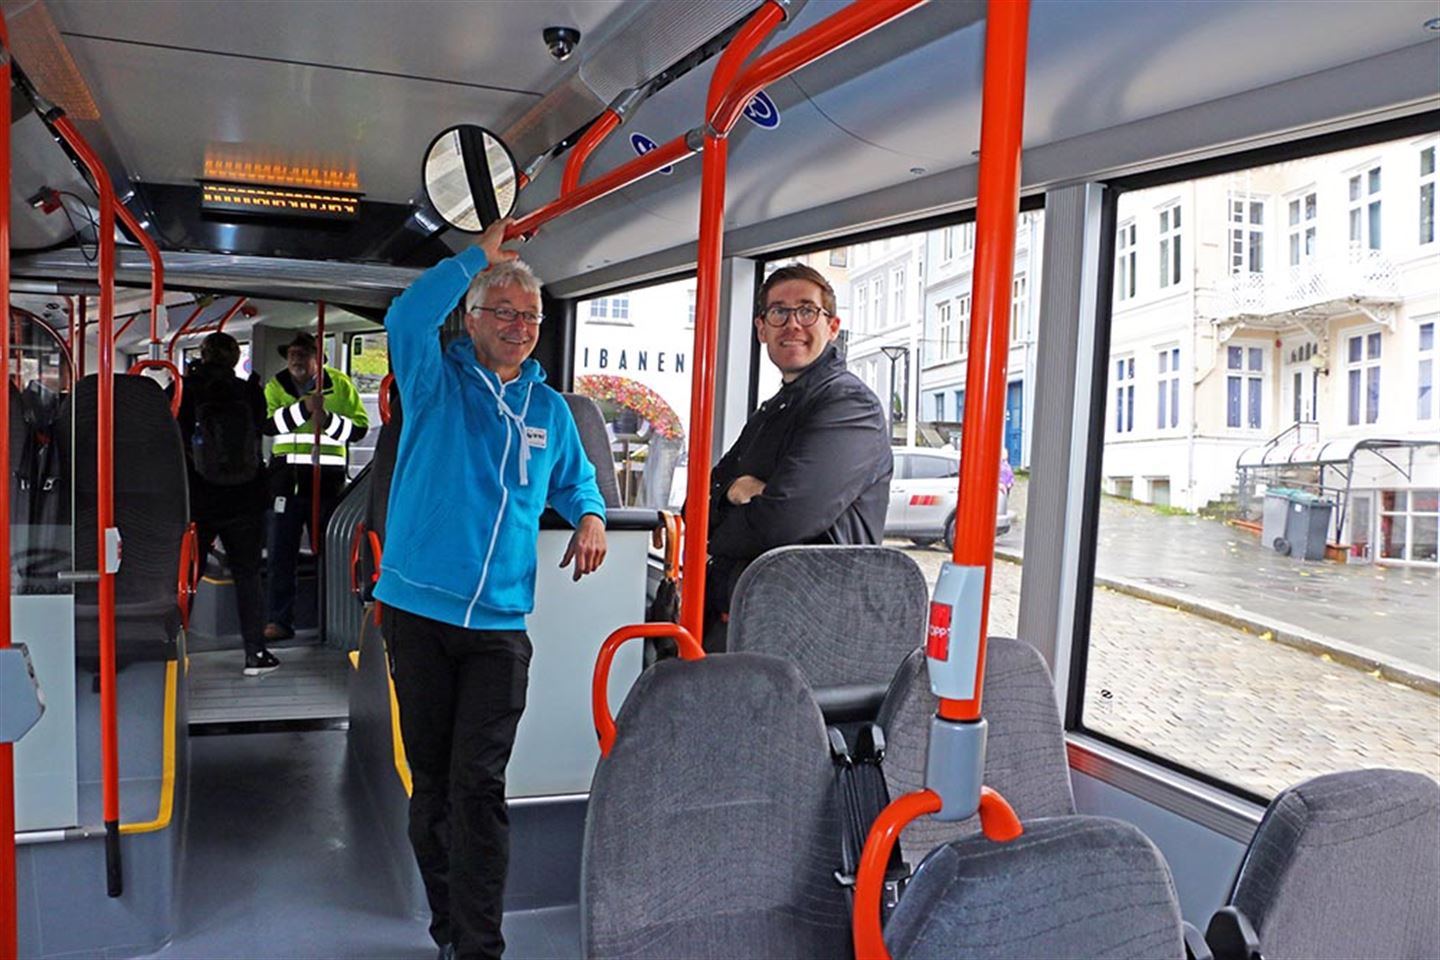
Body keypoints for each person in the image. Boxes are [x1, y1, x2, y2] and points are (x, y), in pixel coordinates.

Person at [374, 218, 607, 960]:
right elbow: (405, 314)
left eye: (529, 316)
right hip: (416, 612)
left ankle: (479, 947)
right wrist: (478, 256)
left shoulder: (551, 411)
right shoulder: (433, 379)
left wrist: (593, 514)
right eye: (501, 311)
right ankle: (448, 926)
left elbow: (574, 480)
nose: (518, 326)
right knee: (434, 792)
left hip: (501, 626)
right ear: (471, 320)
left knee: (480, 788)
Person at [704, 264, 892, 648]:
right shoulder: (772, 410)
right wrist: (733, 494)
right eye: (778, 312)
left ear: (833, 326)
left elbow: (782, 523)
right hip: (752, 617)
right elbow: (698, 505)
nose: (793, 324)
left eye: (807, 311)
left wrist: (733, 510)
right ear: (762, 330)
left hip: (810, 633)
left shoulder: (848, 405)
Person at [176, 332, 277, 675]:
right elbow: (263, 427)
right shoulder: (249, 390)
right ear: (235, 359)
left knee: (187, 575)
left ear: (203, 357)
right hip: (246, 498)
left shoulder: (183, 390)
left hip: (197, 498)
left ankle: (174, 648)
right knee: (248, 575)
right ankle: (255, 653)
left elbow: (169, 433)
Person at [261, 330, 369, 641]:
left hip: (327, 485)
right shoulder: (276, 386)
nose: (295, 359)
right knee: (281, 555)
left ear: (317, 359)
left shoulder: (340, 385)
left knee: (331, 553)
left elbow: (358, 429)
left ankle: (332, 620)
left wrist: (328, 420)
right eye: (292, 354)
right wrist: (305, 410)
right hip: (287, 485)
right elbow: (269, 424)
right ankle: (279, 620)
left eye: (302, 354)